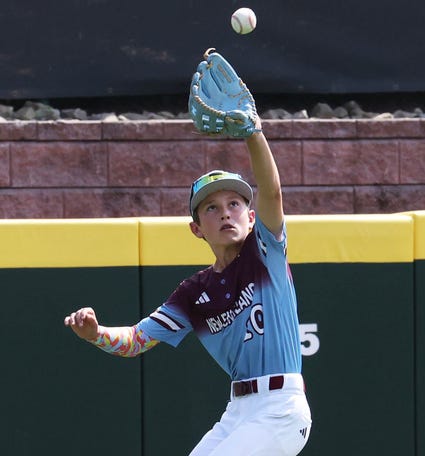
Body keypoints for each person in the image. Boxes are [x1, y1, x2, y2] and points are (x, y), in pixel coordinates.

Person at [64, 121, 312, 455]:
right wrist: (95, 334)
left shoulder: (264, 252)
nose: (225, 213)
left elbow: (272, 192)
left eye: (234, 204)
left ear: (251, 218)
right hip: (239, 411)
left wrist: (253, 132)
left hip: (281, 409)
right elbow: (135, 341)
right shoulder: (194, 292)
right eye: (212, 208)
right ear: (196, 228)